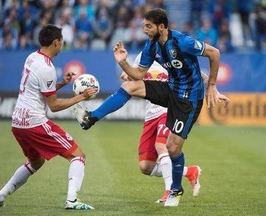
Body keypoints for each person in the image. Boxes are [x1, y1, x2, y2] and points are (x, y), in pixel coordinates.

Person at [73, 8, 230, 207]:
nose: (144, 30)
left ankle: (175, 189)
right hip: (171, 90)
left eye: (148, 26)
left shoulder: (183, 42)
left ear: (161, 26)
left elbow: (214, 53)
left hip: (189, 100)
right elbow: (138, 74)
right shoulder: (151, 46)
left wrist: (213, 86)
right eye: (144, 26)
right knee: (130, 86)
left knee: (172, 148)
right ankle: (91, 117)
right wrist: (123, 63)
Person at [0, 24, 96, 210]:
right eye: (62, 41)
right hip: (34, 122)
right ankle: (72, 200)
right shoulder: (47, 68)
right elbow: (53, 106)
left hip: (17, 122)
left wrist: (61, 83)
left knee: (36, 161)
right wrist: (81, 97)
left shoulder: (32, 57)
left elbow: (40, 91)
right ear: (56, 42)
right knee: (78, 156)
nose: (62, 45)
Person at [121, 53, 203, 203]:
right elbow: (132, 75)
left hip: (168, 110)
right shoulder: (143, 56)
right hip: (150, 114)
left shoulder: (172, 55)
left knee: (162, 146)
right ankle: (189, 171)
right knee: (145, 166)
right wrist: (127, 75)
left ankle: (169, 192)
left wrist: (198, 102)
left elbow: (198, 76)